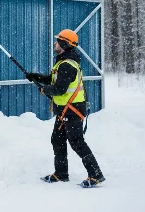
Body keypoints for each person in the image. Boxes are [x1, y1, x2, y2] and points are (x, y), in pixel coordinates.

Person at [26, 29, 105, 188]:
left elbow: (60, 88)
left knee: (76, 142)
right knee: (57, 139)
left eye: (57, 41)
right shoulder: (63, 62)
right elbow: (53, 79)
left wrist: (44, 90)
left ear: (64, 44)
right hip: (65, 110)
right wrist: (35, 76)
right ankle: (61, 174)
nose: (55, 43)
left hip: (73, 110)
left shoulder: (67, 65)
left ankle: (96, 174)